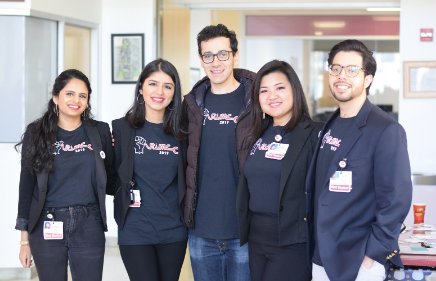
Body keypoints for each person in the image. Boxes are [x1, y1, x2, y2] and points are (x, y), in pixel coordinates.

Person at [306, 39, 413, 281]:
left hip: (357, 261)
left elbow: (395, 201)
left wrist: (371, 258)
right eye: (336, 68)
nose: (341, 76)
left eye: (352, 70)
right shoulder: (329, 125)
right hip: (320, 257)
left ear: (368, 78)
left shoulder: (386, 130)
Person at [15, 69, 116, 281]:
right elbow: (27, 186)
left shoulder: (100, 131)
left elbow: (111, 179)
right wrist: (24, 241)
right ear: (55, 97)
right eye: (69, 93)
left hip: (89, 222)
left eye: (82, 96)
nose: (76, 100)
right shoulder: (36, 132)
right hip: (46, 222)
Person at [236, 60, 322, 281]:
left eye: (280, 88)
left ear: (295, 90)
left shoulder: (314, 134)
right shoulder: (255, 134)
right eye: (264, 90)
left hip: (292, 240)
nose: (271, 96)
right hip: (256, 238)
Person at [183, 24, 255, 280]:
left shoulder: (257, 101)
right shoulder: (191, 104)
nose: (216, 62)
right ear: (201, 60)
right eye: (208, 55)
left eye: (223, 54)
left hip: (244, 231)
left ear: (235, 56)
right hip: (201, 230)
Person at [109, 59, 188, 281]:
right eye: (153, 84)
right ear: (141, 88)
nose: (159, 92)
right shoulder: (121, 129)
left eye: (167, 86)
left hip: (174, 229)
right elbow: (111, 177)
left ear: (174, 93)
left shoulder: (183, 132)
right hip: (136, 229)